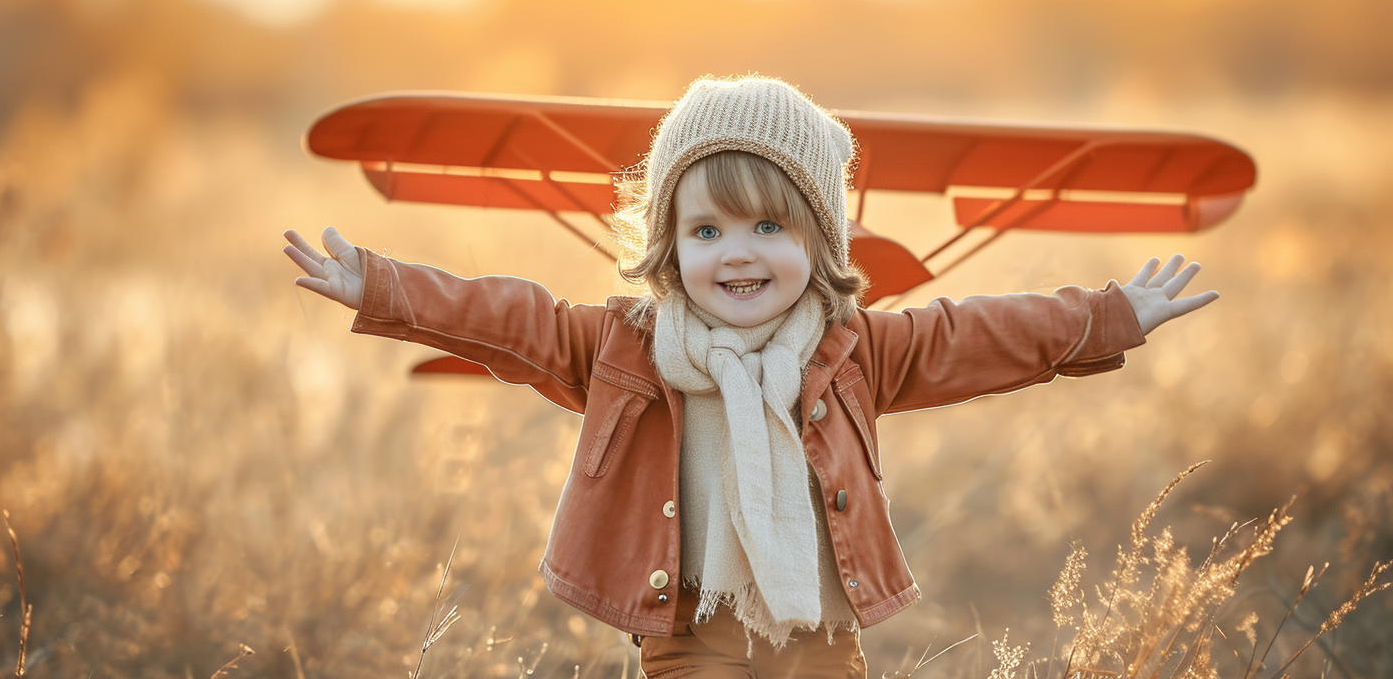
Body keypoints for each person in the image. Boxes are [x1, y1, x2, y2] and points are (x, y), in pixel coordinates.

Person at [283, 75, 1217, 678]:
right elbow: (508, 316)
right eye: (707, 230)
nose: (738, 253)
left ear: (823, 239)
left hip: (818, 628)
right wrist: (383, 283)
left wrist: (1108, 315)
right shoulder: (627, 347)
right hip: (688, 625)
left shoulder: (853, 348)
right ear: (669, 243)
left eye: (772, 227)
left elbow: (972, 335)